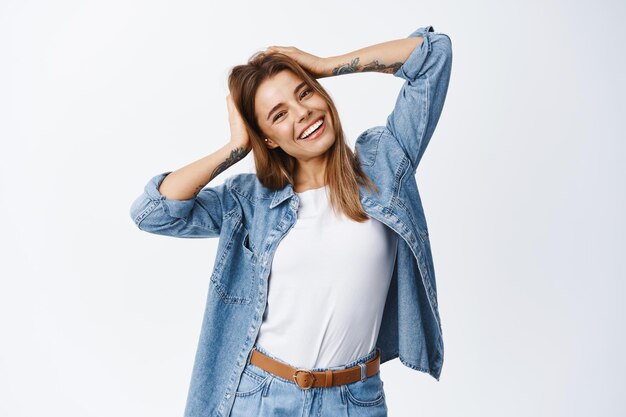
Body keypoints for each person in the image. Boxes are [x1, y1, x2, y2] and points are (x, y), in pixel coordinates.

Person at [130, 24, 452, 417]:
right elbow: (154, 213)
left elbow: (433, 54)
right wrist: (234, 147)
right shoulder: (250, 201)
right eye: (279, 115)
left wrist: (325, 65)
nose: (304, 114)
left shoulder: (383, 165)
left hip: (355, 400)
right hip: (261, 396)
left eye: (305, 93)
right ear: (266, 138)